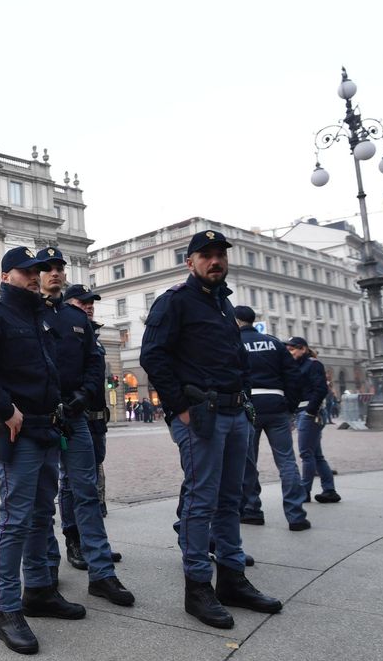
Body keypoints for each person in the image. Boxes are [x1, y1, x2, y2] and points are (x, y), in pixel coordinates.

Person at [140, 229, 282, 630]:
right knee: (201, 502)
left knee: (230, 499)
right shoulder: (175, 302)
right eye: (206, 255)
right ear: (190, 262)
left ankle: (233, 579)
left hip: (236, 413)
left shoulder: (224, 304)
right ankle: (198, 587)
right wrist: (179, 408)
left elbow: (233, 359)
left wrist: (246, 401)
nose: (214, 260)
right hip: (201, 416)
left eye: (220, 254)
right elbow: (153, 356)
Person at [0, 246, 85, 655]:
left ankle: (40, 590)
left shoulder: (40, 316)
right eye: (27, 271)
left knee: (43, 515)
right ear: (7, 275)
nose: (36, 275)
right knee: (16, 520)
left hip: (47, 429)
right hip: (17, 434)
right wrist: (4, 408)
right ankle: (6, 609)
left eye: (38, 270)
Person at [37, 252, 133, 605]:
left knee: (87, 492)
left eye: (60, 268)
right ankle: (46, 569)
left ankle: (102, 572)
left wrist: (81, 396)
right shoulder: (27, 313)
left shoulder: (75, 317)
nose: (55, 273)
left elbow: (95, 365)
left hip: (75, 416)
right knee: (40, 499)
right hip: (39, 418)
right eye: (48, 269)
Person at [234, 306, 309, 531]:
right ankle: (296, 515)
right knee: (286, 461)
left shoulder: (233, 343)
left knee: (248, 462)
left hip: (248, 407)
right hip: (277, 404)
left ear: (236, 321)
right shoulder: (274, 343)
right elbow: (293, 376)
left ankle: (252, 510)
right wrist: (290, 406)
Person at [63, 284, 113, 519]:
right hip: (76, 416)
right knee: (74, 480)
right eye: (83, 303)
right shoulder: (66, 333)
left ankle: (95, 528)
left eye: (91, 303)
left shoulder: (95, 337)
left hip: (97, 418)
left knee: (95, 472)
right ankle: (76, 535)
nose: (89, 307)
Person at [288, 336, 340, 503]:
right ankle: (330, 490)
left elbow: (320, 389)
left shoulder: (313, 364)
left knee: (306, 453)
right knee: (316, 454)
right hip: (304, 412)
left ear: (303, 348)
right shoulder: (297, 366)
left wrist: (311, 411)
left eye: (292, 349)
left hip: (310, 413)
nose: (290, 353)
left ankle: (305, 491)